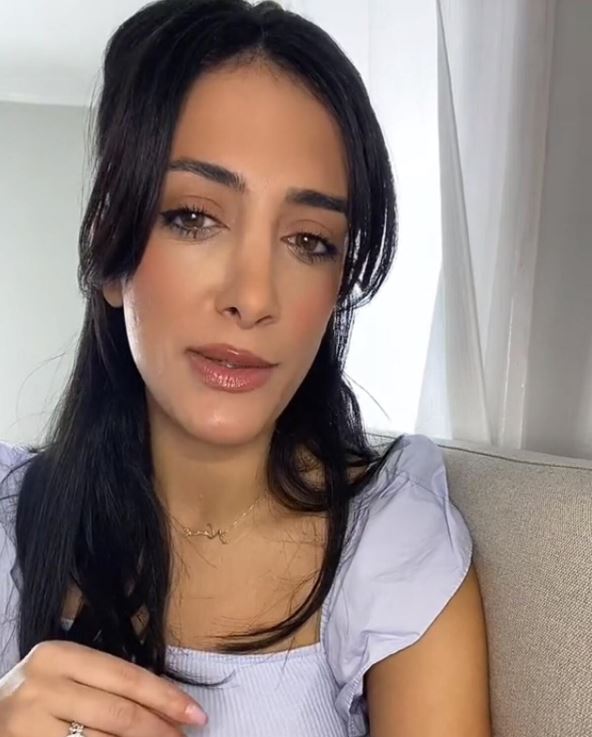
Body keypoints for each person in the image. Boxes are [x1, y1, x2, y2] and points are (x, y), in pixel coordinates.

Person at [0, 0, 491, 735]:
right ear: (110, 251)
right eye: (194, 217)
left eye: (309, 241)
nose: (254, 297)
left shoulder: (392, 545)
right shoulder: (10, 525)